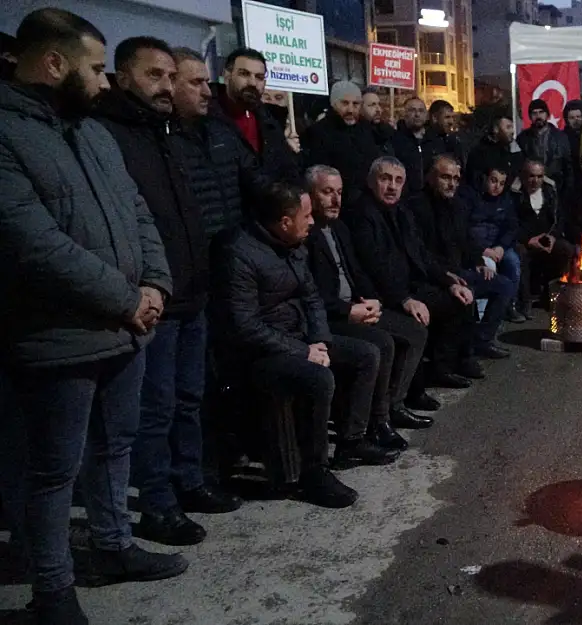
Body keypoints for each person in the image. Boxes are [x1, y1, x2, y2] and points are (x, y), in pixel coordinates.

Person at [0, 9, 186, 622]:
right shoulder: (5, 134)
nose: (104, 83)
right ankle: (53, 590)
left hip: (127, 328)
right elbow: (33, 243)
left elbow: (137, 212)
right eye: (97, 69)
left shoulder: (92, 133)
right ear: (54, 64)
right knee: (54, 471)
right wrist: (126, 298)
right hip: (59, 335)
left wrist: (155, 282)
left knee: (116, 447)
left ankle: (113, 546)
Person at [94, 36, 241, 548]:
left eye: (169, 76)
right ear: (123, 76)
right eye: (156, 76)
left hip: (192, 290)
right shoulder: (110, 134)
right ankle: (158, 504)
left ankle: (190, 481)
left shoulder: (166, 134)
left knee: (188, 398)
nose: (167, 85)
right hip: (156, 298)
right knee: (153, 410)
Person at [211, 182, 384, 505]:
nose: (313, 222)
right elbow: (244, 326)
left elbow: (312, 296)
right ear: (284, 222)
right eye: (306, 216)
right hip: (260, 352)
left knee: (366, 354)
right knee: (317, 378)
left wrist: (320, 340)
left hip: (299, 337)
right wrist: (303, 351)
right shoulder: (238, 254)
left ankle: (352, 440)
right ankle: (313, 473)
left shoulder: (294, 245)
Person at [303, 165, 434, 447]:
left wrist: (371, 300)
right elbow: (311, 295)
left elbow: (358, 271)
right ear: (310, 196)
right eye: (327, 193)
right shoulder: (307, 234)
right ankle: (373, 424)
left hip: (355, 306)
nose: (336, 200)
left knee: (414, 331)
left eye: (339, 192)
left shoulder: (338, 227)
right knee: (381, 344)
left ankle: (393, 408)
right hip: (332, 316)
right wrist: (349, 311)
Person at [347, 156, 479, 388]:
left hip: (411, 285)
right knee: (419, 322)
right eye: (385, 179)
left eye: (398, 181)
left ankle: (441, 369)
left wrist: (448, 280)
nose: (392, 186)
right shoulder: (362, 214)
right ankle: (409, 390)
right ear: (370, 181)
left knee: (461, 298)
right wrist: (405, 300)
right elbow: (375, 266)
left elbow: (421, 254)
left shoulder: (402, 212)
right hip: (384, 295)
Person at [409, 155, 515, 360]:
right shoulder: (416, 207)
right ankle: (460, 356)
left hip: (459, 271)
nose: (452, 184)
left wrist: (478, 262)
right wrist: (446, 276)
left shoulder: (457, 205)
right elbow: (420, 252)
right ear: (431, 177)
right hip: (434, 276)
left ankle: (481, 340)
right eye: (446, 177)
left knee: (504, 286)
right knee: (466, 294)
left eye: (456, 179)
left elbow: (465, 239)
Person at [170, 47, 268, 239]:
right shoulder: (161, 139)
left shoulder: (222, 132)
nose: (207, 92)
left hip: (235, 247)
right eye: (196, 83)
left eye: (206, 82)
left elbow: (256, 180)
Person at [210, 48, 301, 185]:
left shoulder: (268, 121)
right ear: (227, 75)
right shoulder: (208, 117)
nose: (252, 83)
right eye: (244, 74)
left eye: (259, 77)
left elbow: (287, 171)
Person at [461, 165, 527, 322]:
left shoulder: (506, 200)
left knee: (513, 263)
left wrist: (501, 247)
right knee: (488, 269)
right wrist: (482, 250)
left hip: (498, 246)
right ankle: (482, 316)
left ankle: (509, 305)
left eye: (502, 183)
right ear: (485, 179)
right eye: (493, 181)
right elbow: (463, 230)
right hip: (477, 248)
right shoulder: (470, 198)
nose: (497, 186)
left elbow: (512, 227)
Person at [301, 81, 382, 209]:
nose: (350, 109)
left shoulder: (366, 129)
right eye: (345, 103)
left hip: (367, 203)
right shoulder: (318, 132)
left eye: (355, 104)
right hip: (336, 205)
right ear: (334, 104)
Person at [514, 159, 575, 311]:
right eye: (531, 176)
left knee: (566, 249)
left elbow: (559, 218)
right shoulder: (515, 194)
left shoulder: (550, 191)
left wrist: (553, 236)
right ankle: (525, 302)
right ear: (524, 176)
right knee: (519, 253)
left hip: (548, 238)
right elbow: (511, 223)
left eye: (540, 176)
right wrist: (528, 240)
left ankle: (554, 297)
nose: (536, 181)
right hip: (525, 240)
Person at [516, 98, 574, 198]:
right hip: (531, 190)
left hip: (557, 189)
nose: (538, 116)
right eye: (534, 113)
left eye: (541, 112)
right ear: (530, 116)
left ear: (547, 115)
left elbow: (568, 166)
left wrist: (567, 191)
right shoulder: (522, 138)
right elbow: (519, 166)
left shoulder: (561, 137)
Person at [392, 97, 446, 195]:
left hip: (432, 198)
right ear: (404, 114)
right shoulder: (395, 140)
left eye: (421, 111)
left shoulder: (436, 140)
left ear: (426, 115)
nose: (417, 114)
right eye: (412, 110)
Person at [465, 112, 520, 191]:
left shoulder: (513, 149)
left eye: (512, 127)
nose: (512, 131)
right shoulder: (479, 152)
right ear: (496, 129)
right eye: (508, 127)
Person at [427, 99, 464, 165]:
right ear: (434, 118)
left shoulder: (454, 142)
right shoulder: (423, 142)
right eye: (447, 117)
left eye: (453, 117)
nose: (451, 122)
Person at [360, 87, 394, 154]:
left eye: (379, 104)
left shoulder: (388, 132)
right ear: (360, 108)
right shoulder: (358, 136)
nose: (378, 109)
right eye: (372, 105)